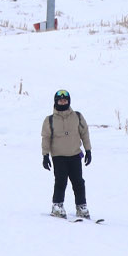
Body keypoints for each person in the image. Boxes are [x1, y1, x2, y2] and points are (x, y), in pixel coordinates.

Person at [41, 88, 92, 219]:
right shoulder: (50, 120)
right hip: (59, 157)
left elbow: (84, 133)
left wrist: (88, 150)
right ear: (56, 102)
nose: (63, 103)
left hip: (75, 155)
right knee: (60, 182)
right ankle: (57, 206)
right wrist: (45, 155)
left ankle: (81, 206)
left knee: (78, 182)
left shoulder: (78, 117)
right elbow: (45, 138)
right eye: (60, 101)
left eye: (65, 100)